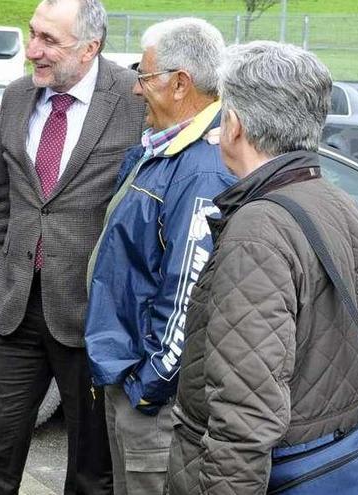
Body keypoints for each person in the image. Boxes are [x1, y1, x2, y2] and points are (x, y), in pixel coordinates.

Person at [166, 41, 358, 494]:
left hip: (281, 474)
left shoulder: (259, 229)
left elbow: (245, 416)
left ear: (234, 125)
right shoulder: (347, 205)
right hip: (334, 467)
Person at [0, 0, 145, 492]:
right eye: (32, 34)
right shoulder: (19, 96)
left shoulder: (134, 99)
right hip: (13, 309)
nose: (33, 51)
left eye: (49, 41)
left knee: (90, 471)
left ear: (91, 48)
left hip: (92, 315)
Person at [83, 18, 234, 495]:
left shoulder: (202, 170)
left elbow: (187, 292)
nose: (135, 90)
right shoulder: (168, 150)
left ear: (180, 83)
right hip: (129, 376)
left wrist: (148, 386)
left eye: (145, 77)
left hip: (149, 396)